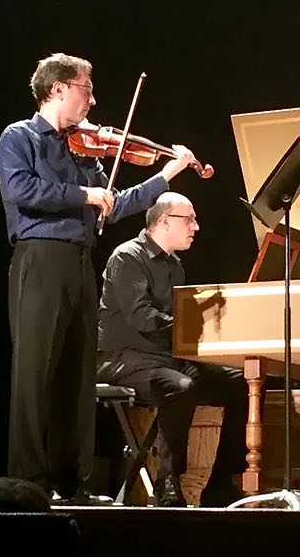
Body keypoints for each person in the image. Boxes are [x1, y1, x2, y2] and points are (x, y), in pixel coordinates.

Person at [0, 52, 196, 505]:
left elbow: (115, 203)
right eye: (86, 88)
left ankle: (70, 480)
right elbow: (23, 190)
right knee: (36, 372)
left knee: (77, 373)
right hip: (40, 260)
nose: (93, 98)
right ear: (58, 89)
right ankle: (27, 482)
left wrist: (165, 175)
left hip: (80, 261)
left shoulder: (82, 149)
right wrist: (83, 194)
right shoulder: (19, 138)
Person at [96, 191, 249, 507]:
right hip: (123, 356)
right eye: (189, 219)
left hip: (164, 357)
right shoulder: (127, 257)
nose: (196, 227)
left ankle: (220, 483)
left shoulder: (174, 265)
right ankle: (168, 481)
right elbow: (141, 316)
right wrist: (195, 323)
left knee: (240, 381)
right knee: (181, 387)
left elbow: (174, 321)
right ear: (164, 221)